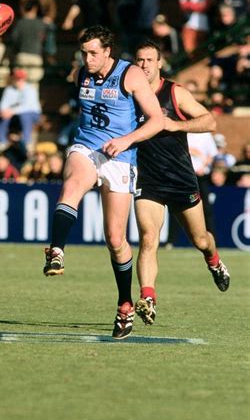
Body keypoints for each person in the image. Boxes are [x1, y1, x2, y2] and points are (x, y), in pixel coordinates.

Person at [44, 25, 164, 340]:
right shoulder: (80, 73)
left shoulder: (130, 75)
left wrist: (126, 141)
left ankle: (125, 303)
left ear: (108, 51)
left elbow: (157, 120)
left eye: (94, 52)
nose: (88, 58)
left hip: (121, 157)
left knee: (115, 239)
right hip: (87, 147)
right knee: (72, 184)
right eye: (84, 52)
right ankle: (57, 250)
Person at [133, 41, 230, 327]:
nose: (144, 65)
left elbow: (209, 121)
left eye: (150, 60)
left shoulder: (174, 92)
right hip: (147, 179)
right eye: (140, 60)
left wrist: (177, 125)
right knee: (149, 238)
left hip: (180, 179)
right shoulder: (130, 96)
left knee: (201, 240)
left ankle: (214, 261)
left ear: (160, 63)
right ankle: (148, 298)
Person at [0, 69, 41, 151]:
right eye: (17, 78)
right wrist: (4, 111)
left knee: (25, 115)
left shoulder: (30, 89)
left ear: (24, 79)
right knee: (2, 115)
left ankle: (26, 142)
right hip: (14, 115)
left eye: (21, 78)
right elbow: (3, 105)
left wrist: (11, 111)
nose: (19, 81)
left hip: (32, 114)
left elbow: (27, 107)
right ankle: (2, 141)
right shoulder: (9, 90)